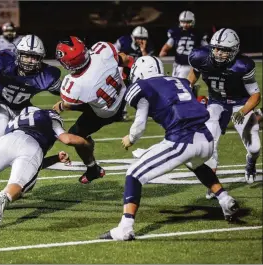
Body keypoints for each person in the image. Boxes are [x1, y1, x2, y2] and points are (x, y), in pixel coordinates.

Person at [99, 56, 239, 241]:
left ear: (141, 71)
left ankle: (125, 227)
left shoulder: (144, 86)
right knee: (195, 164)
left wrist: (130, 138)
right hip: (205, 139)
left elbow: (140, 124)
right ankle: (225, 199)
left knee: (134, 173)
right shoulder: (180, 81)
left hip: (183, 139)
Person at [0, 34, 62, 201]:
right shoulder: (3, 60)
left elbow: (66, 92)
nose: (29, 61)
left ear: (41, 59)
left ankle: (22, 178)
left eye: (34, 57)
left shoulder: (47, 74)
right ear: (18, 54)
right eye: (26, 55)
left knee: (35, 137)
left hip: (21, 106)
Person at [188, 28, 261, 193]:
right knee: (209, 144)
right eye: (216, 48)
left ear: (234, 50)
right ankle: (213, 183)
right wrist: (188, 88)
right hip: (216, 102)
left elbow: (255, 95)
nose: (219, 53)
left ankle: (251, 163)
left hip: (240, 103)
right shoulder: (200, 57)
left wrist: (242, 111)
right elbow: (193, 75)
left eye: (225, 50)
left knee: (255, 148)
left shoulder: (242, 65)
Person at [53, 36, 133, 184]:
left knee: (74, 135)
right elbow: (125, 58)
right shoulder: (102, 51)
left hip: (106, 112)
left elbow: (70, 104)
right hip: (123, 93)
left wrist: (62, 106)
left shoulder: (74, 84)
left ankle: (92, 167)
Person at [159, 10, 208, 96]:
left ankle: (190, 96)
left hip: (189, 65)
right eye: (183, 22)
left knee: (181, 86)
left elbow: (206, 48)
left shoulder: (198, 33)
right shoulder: (176, 33)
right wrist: (163, 51)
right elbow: (168, 44)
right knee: (176, 83)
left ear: (192, 21)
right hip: (177, 64)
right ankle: (193, 91)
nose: (185, 24)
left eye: (188, 22)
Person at [114, 26, 154, 120]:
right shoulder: (124, 41)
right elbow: (113, 51)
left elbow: (148, 62)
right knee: (121, 90)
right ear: (133, 37)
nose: (140, 40)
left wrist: (143, 50)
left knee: (142, 90)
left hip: (138, 71)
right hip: (123, 70)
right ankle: (121, 112)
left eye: (143, 38)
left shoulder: (148, 46)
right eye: (138, 38)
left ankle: (142, 111)